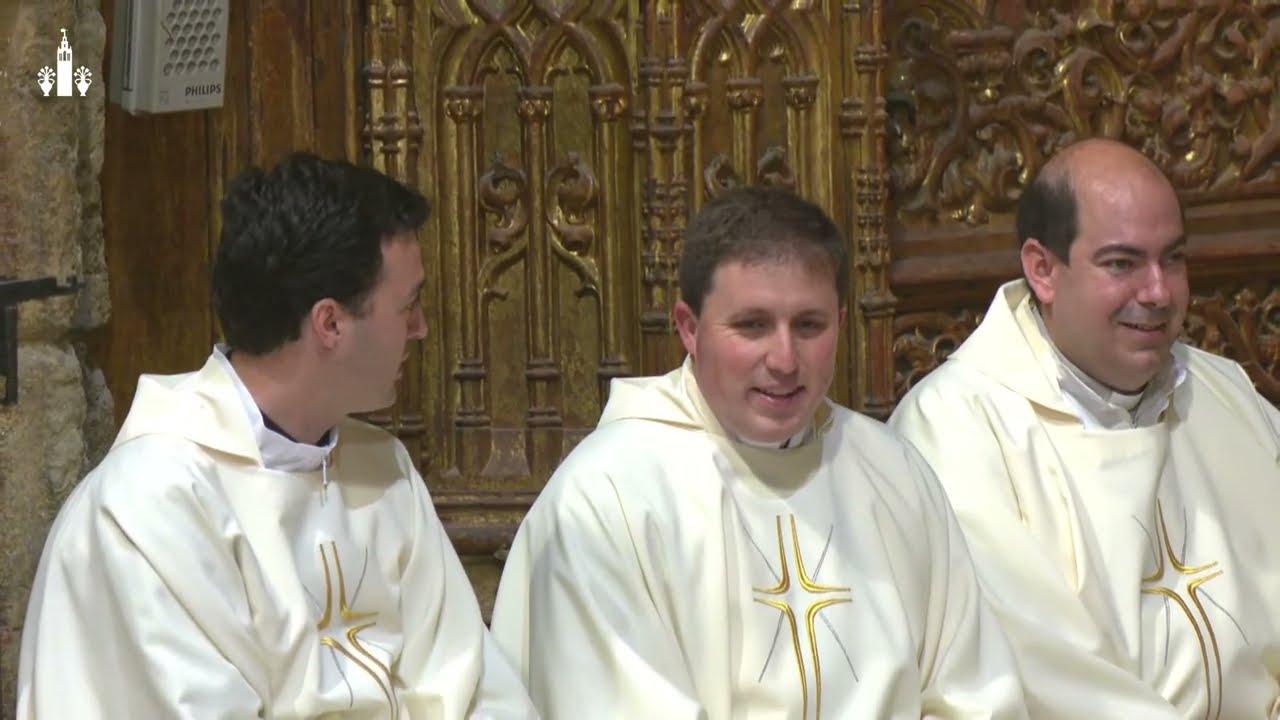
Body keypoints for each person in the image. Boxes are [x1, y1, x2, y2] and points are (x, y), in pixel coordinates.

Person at [16, 152, 537, 719]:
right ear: (330, 323)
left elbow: (478, 687)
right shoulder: (148, 507)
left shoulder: (385, 472)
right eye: (408, 305)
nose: (421, 328)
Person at [489, 185, 1028, 718]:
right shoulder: (606, 498)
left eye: (809, 325)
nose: (785, 359)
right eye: (753, 326)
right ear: (689, 328)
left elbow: (975, 695)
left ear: (841, 323)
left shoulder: (895, 474)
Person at [889, 138, 1280, 719]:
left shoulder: (1225, 392)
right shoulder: (954, 430)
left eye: (1173, 259)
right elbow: (1033, 675)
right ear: (1043, 269)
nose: (1158, 292)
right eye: (1122, 264)